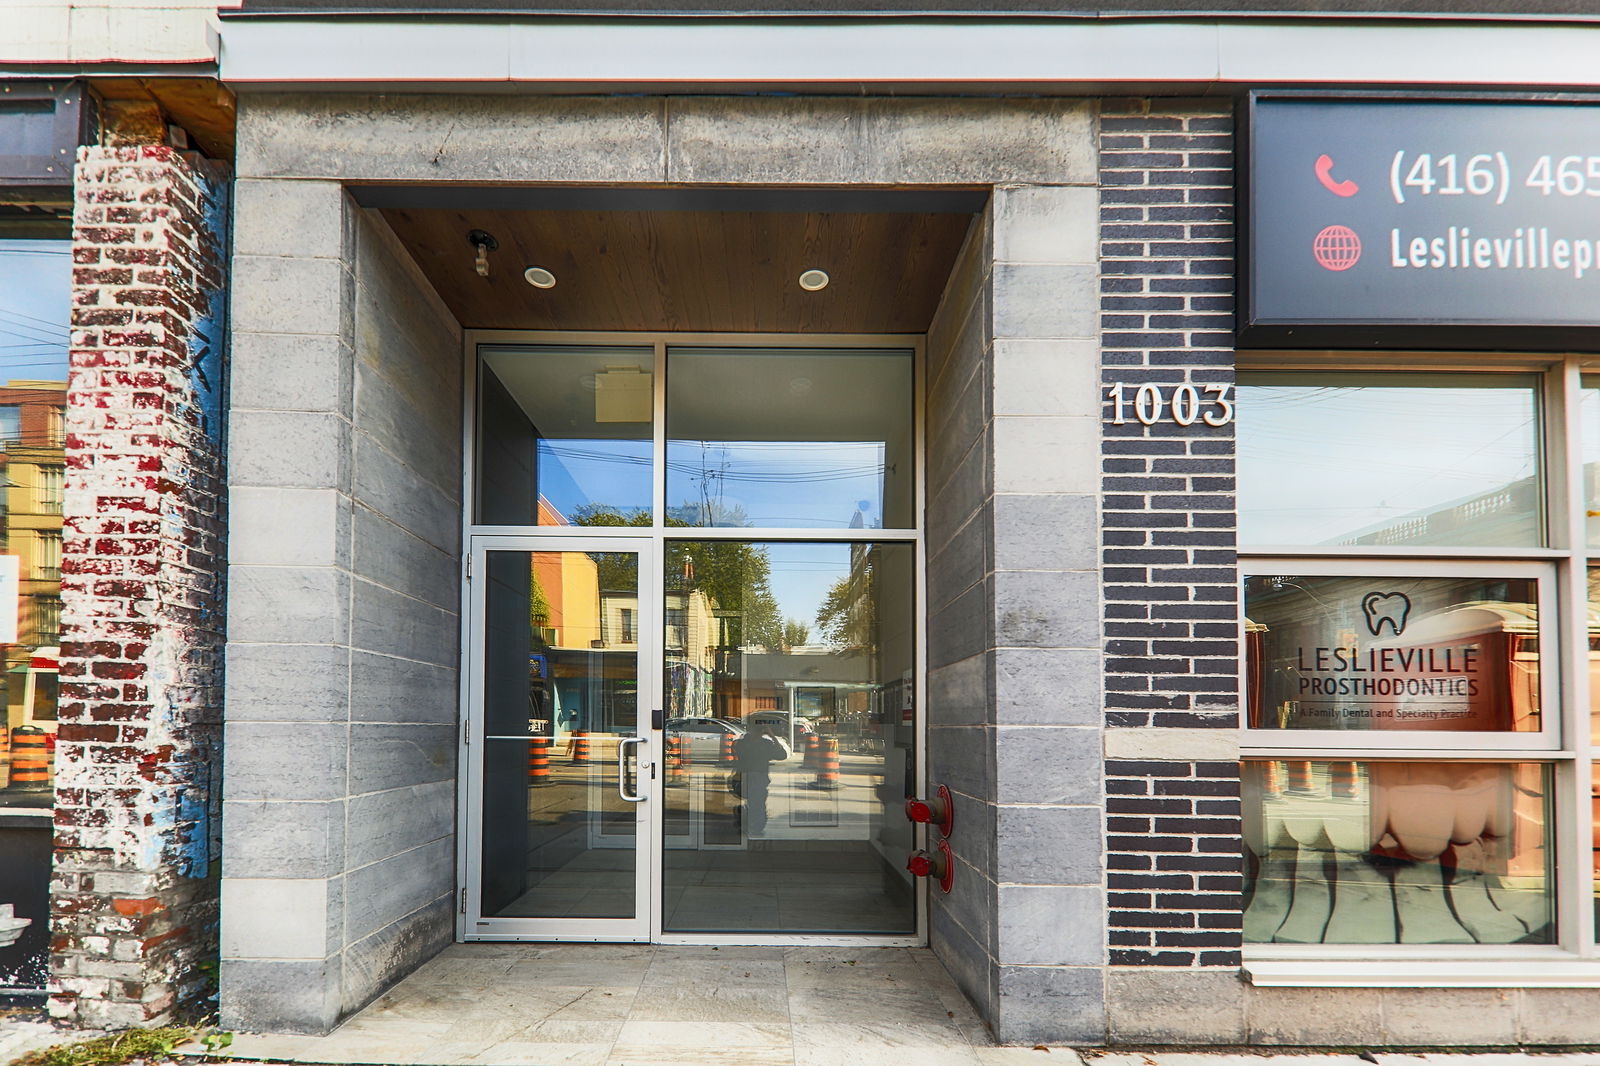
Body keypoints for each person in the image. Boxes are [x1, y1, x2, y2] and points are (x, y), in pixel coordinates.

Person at [732, 720, 787, 837]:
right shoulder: (744, 743)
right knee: (754, 804)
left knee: (757, 804)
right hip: (748, 777)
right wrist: (771, 736)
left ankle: (754, 828)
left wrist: (772, 736)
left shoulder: (763, 744)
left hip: (756, 778)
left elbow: (782, 755)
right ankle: (750, 826)